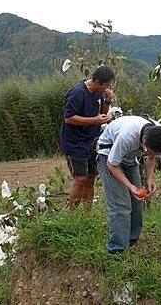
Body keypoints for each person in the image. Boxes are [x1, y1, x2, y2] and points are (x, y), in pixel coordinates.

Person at [96, 116, 161, 253]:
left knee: (137, 201)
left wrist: (149, 179)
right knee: (121, 204)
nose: (150, 153)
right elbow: (112, 164)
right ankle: (117, 249)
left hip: (129, 156)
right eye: (148, 150)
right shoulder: (127, 136)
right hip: (107, 155)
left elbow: (151, 157)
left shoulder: (157, 134)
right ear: (144, 140)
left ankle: (132, 240)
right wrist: (130, 186)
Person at [59, 65, 115, 212]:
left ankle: (87, 215)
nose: (107, 88)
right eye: (106, 86)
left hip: (92, 142)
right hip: (75, 143)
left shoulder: (98, 93)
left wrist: (108, 102)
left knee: (90, 179)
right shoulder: (77, 93)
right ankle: (72, 217)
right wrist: (94, 121)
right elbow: (69, 118)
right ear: (97, 82)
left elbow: (101, 113)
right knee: (80, 179)